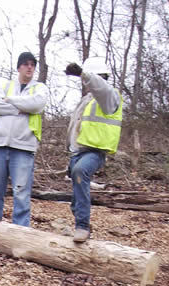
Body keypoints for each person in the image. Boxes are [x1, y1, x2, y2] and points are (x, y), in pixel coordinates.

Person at [0, 51, 48, 227]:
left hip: (23, 146)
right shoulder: (5, 85)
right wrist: (20, 109)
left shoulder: (39, 88)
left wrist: (11, 101)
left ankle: (20, 230)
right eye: (26, 64)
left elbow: (37, 105)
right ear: (19, 67)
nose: (30, 67)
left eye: (32, 64)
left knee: (21, 192)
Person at [65, 57, 123, 242]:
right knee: (76, 183)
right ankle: (80, 214)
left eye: (88, 78)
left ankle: (82, 226)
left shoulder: (109, 97)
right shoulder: (87, 100)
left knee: (81, 172)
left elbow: (101, 87)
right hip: (78, 151)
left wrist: (84, 73)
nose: (86, 82)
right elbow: (75, 125)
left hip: (95, 151)